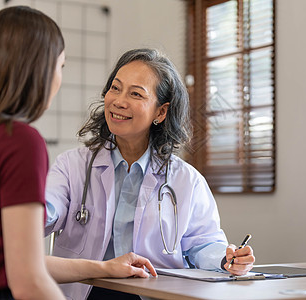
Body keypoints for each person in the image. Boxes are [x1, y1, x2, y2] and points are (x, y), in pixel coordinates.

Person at [0, 7, 155, 300]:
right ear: (38, 70)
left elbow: (7, 261)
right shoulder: (19, 141)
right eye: (61, 67)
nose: (58, 79)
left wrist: (103, 267)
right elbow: (29, 280)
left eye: (136, 94)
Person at [45, 48, 255, 299]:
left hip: (153, 294)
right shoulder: (72, 166)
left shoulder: (185, 180)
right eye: (115, 88)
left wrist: (226, 258)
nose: (119, 101)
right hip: (85, 292)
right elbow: (44, 210)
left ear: (161, 112)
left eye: (135, 94)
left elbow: (203, 243)